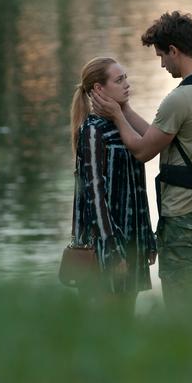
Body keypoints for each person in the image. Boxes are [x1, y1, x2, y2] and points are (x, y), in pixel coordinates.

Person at [91, 11, 192, 310]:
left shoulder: (181, 98)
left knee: (183, 310)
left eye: (162, 56)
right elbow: (159, 136)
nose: (163, 64)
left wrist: (115, 114)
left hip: (184, 219)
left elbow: (142, 151)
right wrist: (124, 109)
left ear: (175, 51)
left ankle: (191, 357)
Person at [69, 56, 157, 314]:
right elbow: (94, 193)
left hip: (132, 241)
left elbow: (139, 188)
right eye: (119, 80)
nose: (127, 84)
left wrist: (148, 238)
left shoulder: (122, 125)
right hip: (107, 249)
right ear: (99, 89)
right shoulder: (93, 130)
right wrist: (112, 250)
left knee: (125, 322)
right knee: (106, 326)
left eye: (126, 77)